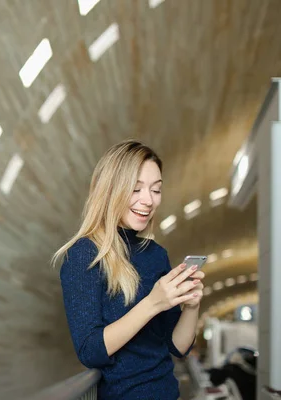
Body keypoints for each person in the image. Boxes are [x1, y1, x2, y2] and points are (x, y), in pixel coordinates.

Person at [52, 140, 205, 400]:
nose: (148, 200)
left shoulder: (156, 255)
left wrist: (191, 305)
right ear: (110, 190)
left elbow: (177, 346)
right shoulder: (84, 254)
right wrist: (153, 303)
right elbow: (90, 350)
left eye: (156, 190)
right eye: (136, 189)